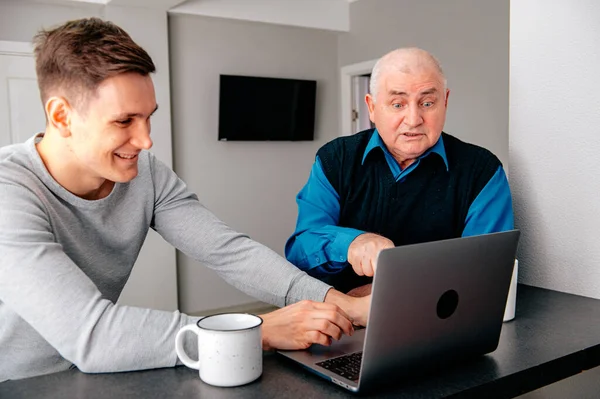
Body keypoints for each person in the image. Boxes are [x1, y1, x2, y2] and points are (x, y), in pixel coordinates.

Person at [0, 18, 369, 382]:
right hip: (17, 381)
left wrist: (342, 303)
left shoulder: (146, 174)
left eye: (148, 118)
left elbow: (230, 252)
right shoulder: (9, 189)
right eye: (125, 121)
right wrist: (258, 331)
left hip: (89, 374)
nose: (146, 141)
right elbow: (93, 335)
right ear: (61, 116)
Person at [285, 47, 514, 295]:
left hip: (440, 320)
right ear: (371, 107)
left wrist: (386, 294)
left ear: (445, 102)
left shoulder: (483, 171)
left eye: (427, 103)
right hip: (340, 320)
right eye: (397, 104)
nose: (413, 119)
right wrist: (351, 243)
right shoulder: (335, 159)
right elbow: (301, 247)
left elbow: (486, 268)